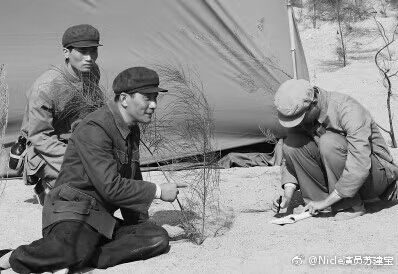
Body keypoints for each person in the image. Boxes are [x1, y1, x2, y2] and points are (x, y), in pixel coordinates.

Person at [0, 67, 184, 273]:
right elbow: (110, 187)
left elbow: (133, 176)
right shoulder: (95, 128)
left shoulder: (132, 129)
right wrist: (158, 191)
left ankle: (81, 257)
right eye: (147, 98)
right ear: (124, 99)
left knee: (156, 237)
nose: (153, 105)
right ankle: (13, 257)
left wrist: (139, 225)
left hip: (102, 220)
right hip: (72, 213)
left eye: (155, 98)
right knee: (71, 250)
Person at [271, 79, 398, 220]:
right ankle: (317, 204)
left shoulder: (347, 109)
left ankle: (350, 205)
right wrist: (288, 196)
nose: (298, 122)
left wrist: (327, 201)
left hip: (375, 177)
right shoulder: (304, 115)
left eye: (300, 117)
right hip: (338, 180)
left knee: (329, 142)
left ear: (313, 103)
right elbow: (289, 159)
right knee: (291, 144)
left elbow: (359, 162)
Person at [17, 24, 103, 205]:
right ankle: (45, 186)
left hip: (78, 141)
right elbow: (40, 136)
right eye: (82, 51)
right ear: (66, 52)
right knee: (80, 196)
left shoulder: (92, 72)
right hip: (47, 148)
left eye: (93, 50)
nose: (89, 58)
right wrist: (77, 160)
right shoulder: (45, 88)